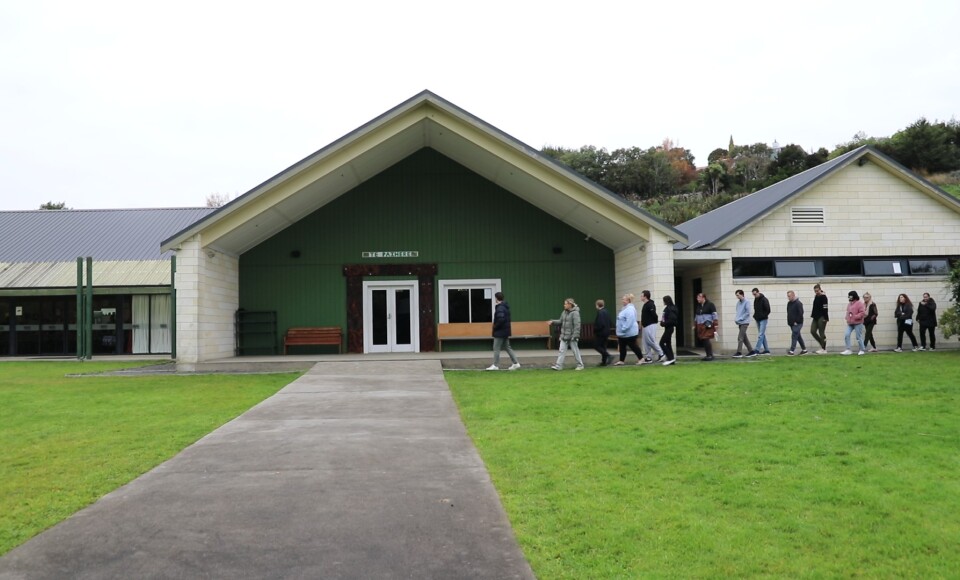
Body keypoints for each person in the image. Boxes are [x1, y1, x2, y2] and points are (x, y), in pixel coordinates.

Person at [487, 291, 521, 371]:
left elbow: (501, 319)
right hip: (505, 331)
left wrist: (495, 327)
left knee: (496, 348)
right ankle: (516, 363)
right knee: (507, 347)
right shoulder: (505, 307)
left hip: (500, 332)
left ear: (496, 298)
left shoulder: (500, 308)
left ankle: (495, 365)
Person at [549, 298, 584, 370]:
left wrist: (575, 335)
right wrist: (553, 322)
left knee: (575, 351)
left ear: (570, 304)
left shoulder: (575, 313)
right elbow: (560, 321)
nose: (564, 305)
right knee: (561, 351)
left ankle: (580, 365)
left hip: (572, 337)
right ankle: (558, 366)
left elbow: (577, 325)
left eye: (565, 304)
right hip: (564, 336)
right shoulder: (564, 312)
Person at [614, 293, 644, 366]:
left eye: (623, 299)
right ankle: (621, 360)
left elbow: (629, 321)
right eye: (622, 299)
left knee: (633, 346)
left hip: (629, 333)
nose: (622, 301)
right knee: (622, 347)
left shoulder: (630, 309)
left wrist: (623, 329)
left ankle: (641, 358)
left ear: (628, 300)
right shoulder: (624, 308)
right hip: (623, 333)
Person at [638, 290, 664, 364]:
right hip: (646, 325)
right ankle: (649, 357)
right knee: (645, 342)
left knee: (651, 340)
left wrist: (653, 322)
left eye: (641, 296)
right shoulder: (645, 304)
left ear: (645, 296)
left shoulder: (650, 304)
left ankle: (661, 353)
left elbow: (654, 315)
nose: (641, 297)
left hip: (650, 325)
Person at [694, 293, 719, 361]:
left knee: (706, 338)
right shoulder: (699, 305)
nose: (697, 299)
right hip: (700, 325)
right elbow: (696, 316)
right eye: (697, 298)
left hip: (707, 324)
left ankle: (710, 355)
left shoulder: (710, 304)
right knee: (703, 339)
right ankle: (708, 355)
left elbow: (714, 315)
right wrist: (695, 324)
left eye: (699, 298)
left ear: (703, 298)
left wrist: (716, 324)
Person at [842, 290, 866, 355]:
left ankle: (862, 349)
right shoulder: (849, 304)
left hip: (858, 323)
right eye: (849, 296)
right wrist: (847, 318)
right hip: (850, 323)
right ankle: (848, 349)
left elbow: (862, 313)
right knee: (847, 335)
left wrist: (855, 316)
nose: (849, 297)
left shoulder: (859, 303)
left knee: (858, 337)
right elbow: (848, 312)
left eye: (850, 296)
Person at [733, 289, 755, 358]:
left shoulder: (747, 302)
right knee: (744, 338)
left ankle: (739, 352)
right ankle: (751, 351)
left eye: (738, 295)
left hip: (744, 322)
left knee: (740, 337)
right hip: (740, 322)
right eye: (736, 295)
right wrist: (737, 319)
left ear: (742, 294)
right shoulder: (738, 303)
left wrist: (740, 318)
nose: (737, 297)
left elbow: (747, 313)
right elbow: (738, 312)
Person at [787, 290, 808, 355]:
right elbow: (789, 312)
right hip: (791, 323)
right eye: (788, 296)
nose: (788, 297)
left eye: (789, 296)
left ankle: (792, 350)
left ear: (793, 295)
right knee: (798, 336)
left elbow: (801, 313)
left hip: (797, 323)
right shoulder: (789, 303)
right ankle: (804, 349)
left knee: (794, 335)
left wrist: (796, 321)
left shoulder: (798, 303)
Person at [751, 287, 771, 355]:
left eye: (755, 294)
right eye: (753, 294)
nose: (754, 295)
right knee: (762, 335)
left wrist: (763, 316)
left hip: (763, 319)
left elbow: (768, 309)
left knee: (761, 334)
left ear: (758, 292)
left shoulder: (764, 299)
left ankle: (757, 349)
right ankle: (766, 349)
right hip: (758, 318)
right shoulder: (756, 300)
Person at [810, 283, 829, 354]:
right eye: (815, 291)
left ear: (820, 290)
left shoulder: (823, 297)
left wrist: (826, 318)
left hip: (822, 316)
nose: (816, 292)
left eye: (817, 291)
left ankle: (823, 348)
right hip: (815, 317)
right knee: (813, 331)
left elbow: (825, 308)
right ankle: (822, 343)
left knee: (821, 332)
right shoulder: (816, 297)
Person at [660, 295, 679, 366]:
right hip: (668, 328)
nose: (663, 302)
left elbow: (671, 320)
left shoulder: (669, 309)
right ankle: (671, 359)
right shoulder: (672, 308)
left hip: (669, 328)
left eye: (664, 301)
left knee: (661, 343)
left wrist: (663, 323)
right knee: (668, 344)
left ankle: (670, 358)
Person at [594, 299, 613, 366]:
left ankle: (608, 355)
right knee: (603, 346)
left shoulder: (600, 312)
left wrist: (595, 329)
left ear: (597, 305)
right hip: (607, 332)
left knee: (597, 346)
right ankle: (604, 362)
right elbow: (610, 322)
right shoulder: (606, 311)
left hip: (601, 333)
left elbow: (600, 324)